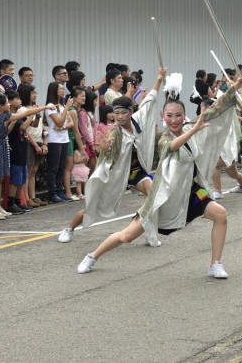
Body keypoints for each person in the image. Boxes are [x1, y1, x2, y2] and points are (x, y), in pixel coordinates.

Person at [77, 73, 242, 276]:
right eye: (169, 116)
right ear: (162, 116)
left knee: (220, 215)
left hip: (191, 191)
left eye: (178, 115)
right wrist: (106, 148)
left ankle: (215, 264)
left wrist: (235, 87)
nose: (174, 120)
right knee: (127, 236)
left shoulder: (192, 126)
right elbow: (173, 146)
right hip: (162, 196)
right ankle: (92, 256)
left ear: (184, 116)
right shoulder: (164, 138)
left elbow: (216, 109)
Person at [58, 68, 165, 244]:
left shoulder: (139, 118)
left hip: (135, 170)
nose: (120, 116)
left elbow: (151, 97)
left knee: (153, 195)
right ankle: (69, 229)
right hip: (114, 172)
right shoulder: (116, 131)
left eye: (124, 112)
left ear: (131, 111)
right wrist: (107, 147)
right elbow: (111, 149)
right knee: (93, 206)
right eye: (116, 113)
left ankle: (149, 232)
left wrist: (159, 78)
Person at [0, 93, 52, 222]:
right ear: (1, 106)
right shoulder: (5, 117)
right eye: (7, 103)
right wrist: (45, 107)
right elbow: (28, 112)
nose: (9, 104)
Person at [18, 84, 48, 208]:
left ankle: (33, 196)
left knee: (34, 171)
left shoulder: (35, 107)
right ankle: (26, 198)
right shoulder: (22, 110)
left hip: (39, 140)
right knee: (28, 171)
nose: (35, 95)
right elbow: (25, 130)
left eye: (35, 93)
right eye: (32, 93)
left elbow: (36, 125)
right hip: (29, 142)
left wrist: (44, 142)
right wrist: (35, 145)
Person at [45, 82, 75, 203]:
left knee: (61, 167)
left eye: (63, 89)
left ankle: (59, 191)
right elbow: (59, 122)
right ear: (54, 91)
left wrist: (63, 128)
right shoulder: (50, 106)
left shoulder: (62, 106)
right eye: (60, 89)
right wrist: (67, 108)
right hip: (54, 140)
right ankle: (52, 193)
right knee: (53, 168)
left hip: (64, 139)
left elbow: (71, 123)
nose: (63, 91)